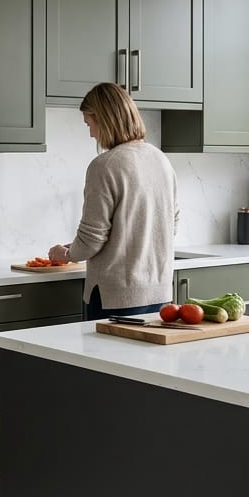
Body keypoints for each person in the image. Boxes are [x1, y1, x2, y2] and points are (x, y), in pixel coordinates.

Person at [49, 82, 179, 320]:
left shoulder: (104, 165)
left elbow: (92, 239)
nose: (91, 134)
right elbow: (172, 222)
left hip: (116, 296)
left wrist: (65, 254)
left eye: (89, 124)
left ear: (103, 120)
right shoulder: (160, 159)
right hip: (159, 295)